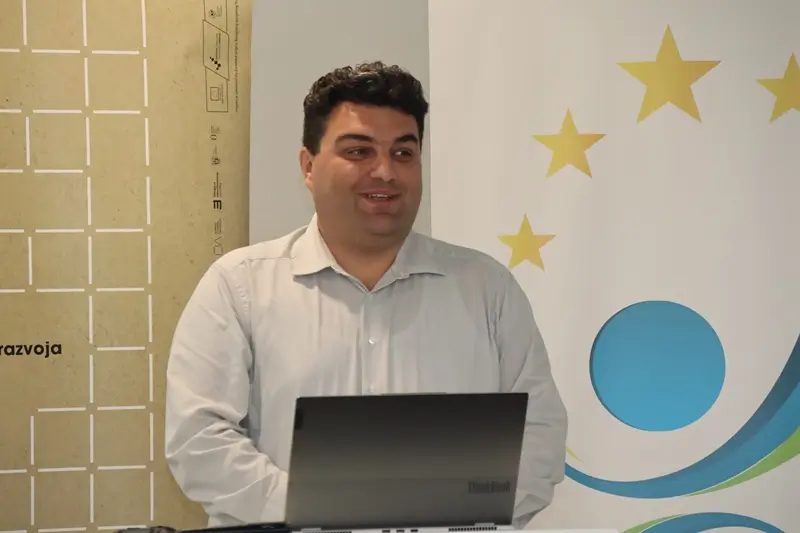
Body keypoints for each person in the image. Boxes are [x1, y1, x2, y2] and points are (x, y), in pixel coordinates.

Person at [164, 61, 568, 529]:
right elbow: (200, 440)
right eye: (359, 151)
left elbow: (539, 436)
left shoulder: (486, 288)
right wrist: (319, 509)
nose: (385, 172)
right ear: (309, 166)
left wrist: (456, 508)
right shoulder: (239, 286)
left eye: (403, 153)